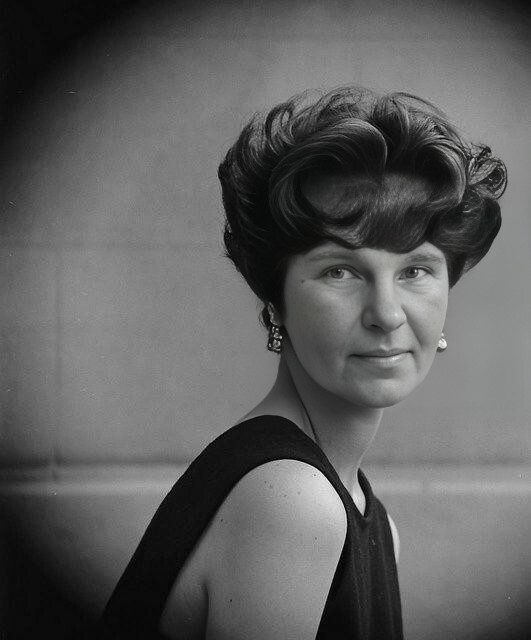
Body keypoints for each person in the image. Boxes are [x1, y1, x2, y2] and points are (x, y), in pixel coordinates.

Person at [97, 86, 506, 639]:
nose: (387, 314)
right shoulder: (293, 503)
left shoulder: (369, 519)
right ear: (275, 301)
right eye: (340, 271)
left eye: (415, 270)